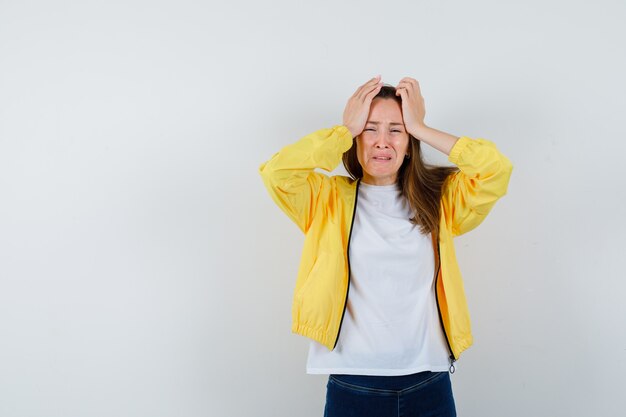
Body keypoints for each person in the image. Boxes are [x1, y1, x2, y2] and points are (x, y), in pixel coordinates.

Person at [258, 75, 513, 417]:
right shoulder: (326, 199)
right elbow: (277, 173)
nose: (382, 142)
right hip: (353, 384)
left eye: (396, 129)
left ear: (410, 142)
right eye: (370, 128)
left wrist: (421, 127)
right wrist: (344, 129)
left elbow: (495, 170)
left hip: (429, 383)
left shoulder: (439, 198)